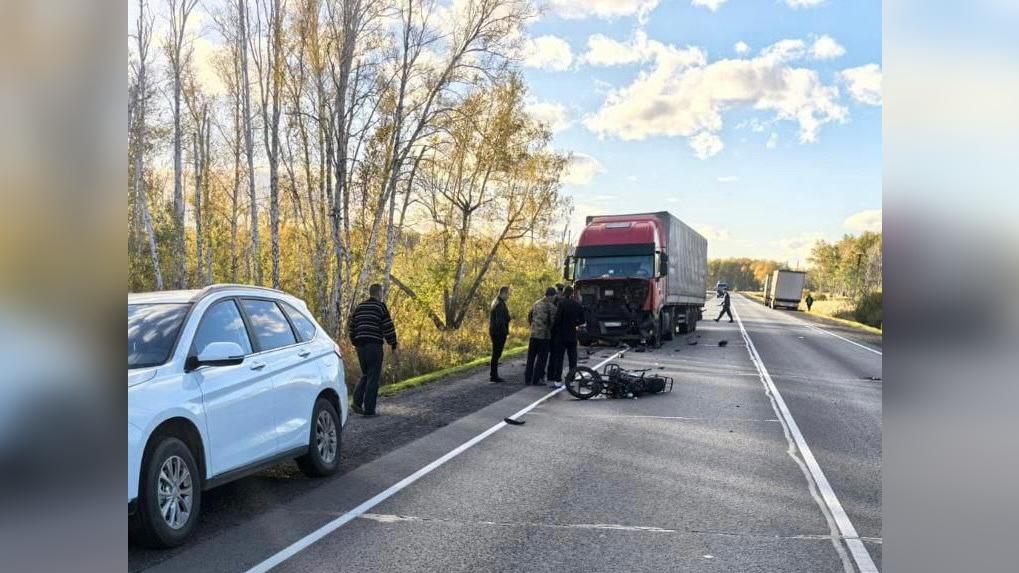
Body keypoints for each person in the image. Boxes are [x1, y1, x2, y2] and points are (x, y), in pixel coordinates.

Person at [347, 283, 398, 416]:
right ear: (379, 293)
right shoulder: (380, 307)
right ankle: (369, 410)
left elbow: (351, 326)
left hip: (361, 346)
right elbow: (388, 326)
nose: (382, 295)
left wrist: (355, 341)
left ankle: (357, 402)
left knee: (366, 374)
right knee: (373, 377)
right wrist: (393, 344)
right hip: (373, 345)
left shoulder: (360, 307)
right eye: (382, 293)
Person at [548, 286, 586, 384]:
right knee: (572, 359)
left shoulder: (561, 304)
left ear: (564, 293)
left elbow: (557, 319)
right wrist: (574, 323)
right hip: (572, 335)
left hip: (561, 335)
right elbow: (582, 320)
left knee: (559, 358)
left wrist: (554, 328)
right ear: (572, 293)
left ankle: (557, 380)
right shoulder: (577, 305)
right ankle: (571, 379)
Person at [524, 287, 556, 386]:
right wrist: (549, 329)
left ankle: (527, 378)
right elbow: (553, 321)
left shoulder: (536, 303)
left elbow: (529, 316)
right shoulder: (551, 306)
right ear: (552, 296)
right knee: (541, 359)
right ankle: (536, 379)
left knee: (531, 358)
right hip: (544, 336)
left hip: (533, 334)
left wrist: (533, 326)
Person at [489, 286, 512, 383]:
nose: (508, 296)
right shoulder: (500, 304)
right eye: (508, 294)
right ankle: (494, 375)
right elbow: (500, 321)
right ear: (503, 293)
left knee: (496, 354)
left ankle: (493, 374)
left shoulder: (497, 302)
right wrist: (503, 332)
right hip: (498, 333)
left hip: (495, 331)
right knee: (496, 353)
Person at [545, 283, 565, 381]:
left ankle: (549, 374)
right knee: (554, 355)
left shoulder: (551, 301)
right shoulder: (559, 302)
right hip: (555, 331)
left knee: (551, 354)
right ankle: (552, 374)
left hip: (551, 331)